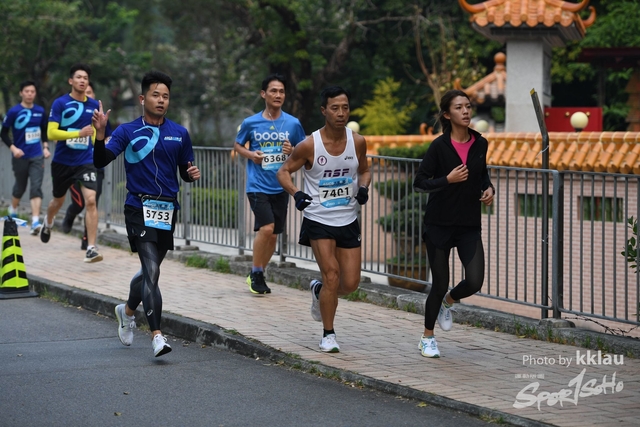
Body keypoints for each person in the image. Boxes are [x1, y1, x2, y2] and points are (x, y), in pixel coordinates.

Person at [93, 71, 200, 357]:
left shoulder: (180, 133)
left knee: (149, 271)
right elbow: (101, 160)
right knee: (151, 270)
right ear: (143, 98)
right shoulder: (127, 131)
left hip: (166, 209)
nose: (161, 100)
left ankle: (126, 311)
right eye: (156, 95)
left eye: (165, 96)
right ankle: (157, 336)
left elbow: (184, 172)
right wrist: (101, 134)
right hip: (138, 207)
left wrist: (191, 174)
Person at [277, 86, 371, 353]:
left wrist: (363, 188)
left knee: (349, 283)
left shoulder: (358, 142)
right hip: (318, 218)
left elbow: (365, 170)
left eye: (345, 108)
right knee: (331, 274)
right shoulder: (310, 144)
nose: (341, 113)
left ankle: (319, 292)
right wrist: (296, 193)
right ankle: (328, 334)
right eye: (335, 108)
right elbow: (284, 172)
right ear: (324, 111)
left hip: (348, 219)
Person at [413, 89, 495, 358]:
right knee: (439, 283)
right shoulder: (439, 146)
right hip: (439, 224)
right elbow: (420, 182)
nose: (466, 111)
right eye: (459, 108)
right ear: (447, 114)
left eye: (468, 107)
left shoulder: (480, 143)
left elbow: (482, 175)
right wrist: (446, 180)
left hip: (469, 224)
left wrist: (489, 188)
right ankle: (427, 337)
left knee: (474, 281)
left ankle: (448, 302)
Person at [234, 74, 306, 295]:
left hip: (281, 185)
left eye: (281, 91)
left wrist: (292, 151)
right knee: (266, 228)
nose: (278, 95)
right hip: (257, 185)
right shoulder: (251, 122)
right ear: (263, 94)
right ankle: (256, 272)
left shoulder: (293, 123)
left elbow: (303, 150)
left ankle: (258, 273)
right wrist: (251, 154)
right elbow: (238, 145)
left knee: (274, 234)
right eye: (273, 91)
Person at [42, 63, 103, 263]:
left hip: (85, 161)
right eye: (78, 77)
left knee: (91, 200)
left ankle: (91, 247)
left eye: (85, 78)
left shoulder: (94, 105)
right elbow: (51, 133)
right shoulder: (60, 104)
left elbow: (93, 134)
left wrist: (101, 144)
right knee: (57, 201)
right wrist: (77, 133)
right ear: (71, 81)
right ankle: (48, 221)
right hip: (62, 162)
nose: (82, 80)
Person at [61, 82, 113, 250]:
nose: (87, 95)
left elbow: (109, 137)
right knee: (80, 203)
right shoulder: (71, 115)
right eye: (84, 92)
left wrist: (105, 141)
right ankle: (71, 213)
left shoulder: (102, 117)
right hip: (75, 166)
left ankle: (87, 240)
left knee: (92, 203)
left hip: (96, 168)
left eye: (90, 92)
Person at [1, 81, 50, 234]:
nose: (30, 94)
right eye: (27, 91)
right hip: (20, 155)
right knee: (20, 187)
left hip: (37, 155)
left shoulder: (40, 111)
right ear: (21, 93)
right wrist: (13, 148)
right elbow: (3, 132)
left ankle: (35, 222)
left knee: (36, 187)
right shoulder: (14, 111)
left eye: (32, 91)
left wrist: (45, 147)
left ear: (35, 94)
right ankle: (13, 208)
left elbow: (44, 131)